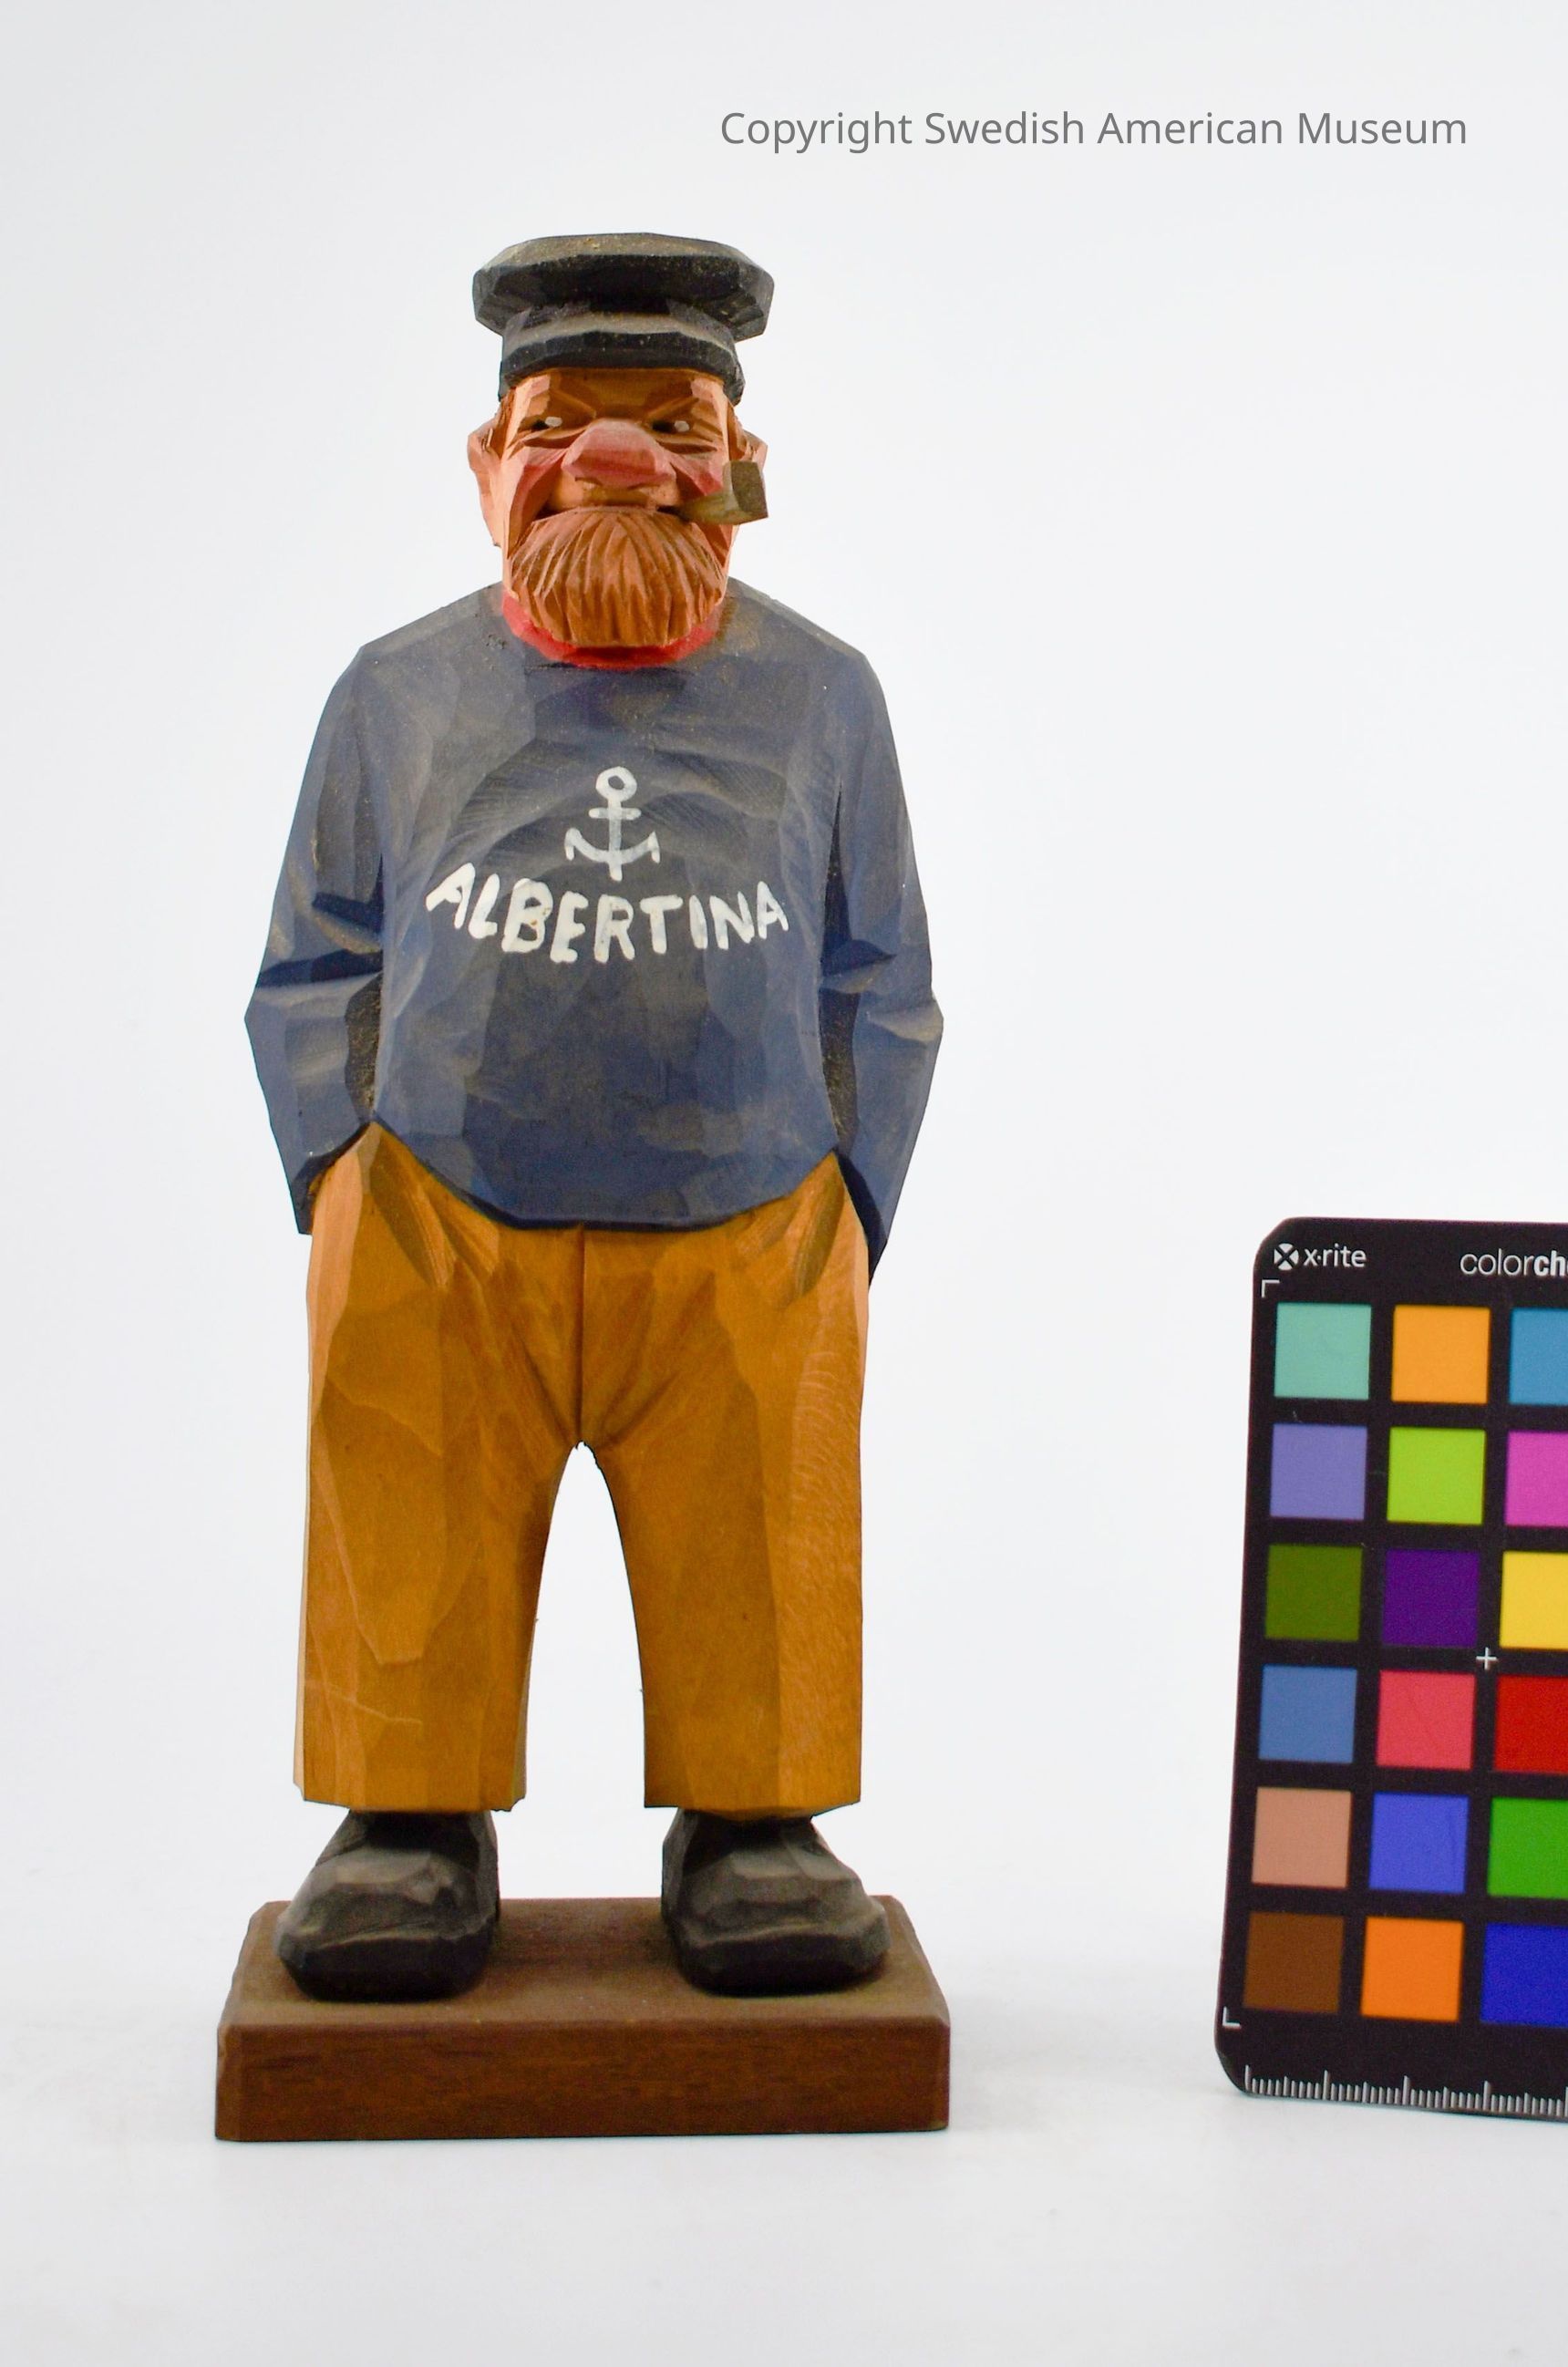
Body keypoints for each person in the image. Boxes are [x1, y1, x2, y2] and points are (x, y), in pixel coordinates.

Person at [245, 233, 941, 2000]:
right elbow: (320, 948)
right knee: (406, 1512)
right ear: (492, 462)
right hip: (435, 1214)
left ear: (741, 466)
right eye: (560, 423)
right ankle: (406, 1815)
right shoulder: (396, 690)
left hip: (752, 1220)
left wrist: (846, 1194)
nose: (615, 463)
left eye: (672, 425)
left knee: (759, 1529)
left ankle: (756, 1819)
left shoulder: (823, 694)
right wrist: (342, 1169)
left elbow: (879, 964)